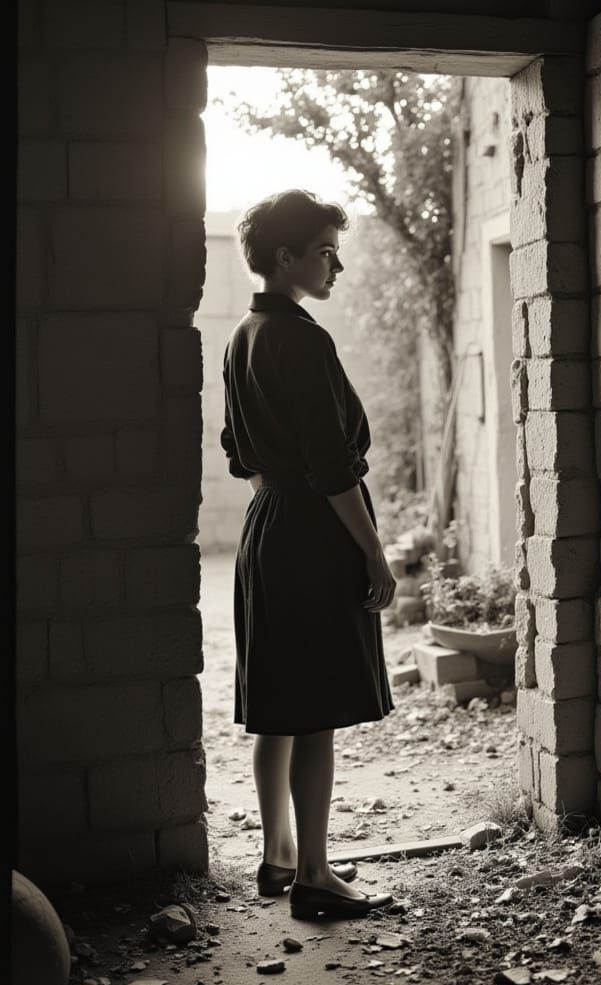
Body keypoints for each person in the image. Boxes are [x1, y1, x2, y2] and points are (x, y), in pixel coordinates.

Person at [220, 189, 398, 920]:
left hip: (268, 529)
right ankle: (316, 877)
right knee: (316, 709)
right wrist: (376, 555)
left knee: (279, 708)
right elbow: (333, 468)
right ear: (285, 256)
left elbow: (242, 455)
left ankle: (278, 858)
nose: (339, 264)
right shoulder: (303, 339)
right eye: (326, 250)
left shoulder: (244, 334)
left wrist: (282, 498)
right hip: (311, 537)